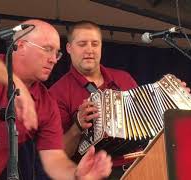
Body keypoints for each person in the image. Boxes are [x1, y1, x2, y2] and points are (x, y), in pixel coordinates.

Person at [0, 19, 112, 180]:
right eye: (47, 49)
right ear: (20, 45)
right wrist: (14, 82)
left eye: (57, 53)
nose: (53, 59)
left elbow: (54, 159)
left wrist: (77, 174)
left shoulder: (46, 103)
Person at [49, 21, 141, 178]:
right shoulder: (57, 93)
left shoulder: (124, 78)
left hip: (139, 168)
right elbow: (56, 155)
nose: (89, 50)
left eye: (95, 44)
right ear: (69, 48)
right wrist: (77, 127)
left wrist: (173, 96)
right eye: (82, 44)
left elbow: (147, 119)